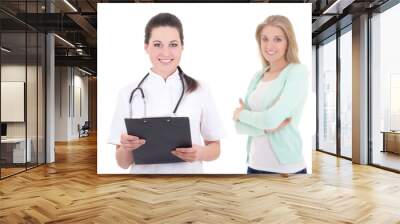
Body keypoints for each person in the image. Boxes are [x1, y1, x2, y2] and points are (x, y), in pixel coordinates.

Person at [108, 13, 224, 174]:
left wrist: (200, 153)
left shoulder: (200, 89)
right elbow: (122, 163)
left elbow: (215, 148)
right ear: (146, 47)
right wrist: (127, 148)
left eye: (173, 44)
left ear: (182, 47)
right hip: (144, 190)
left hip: (190, 188)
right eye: (157, 44)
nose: (166, 52)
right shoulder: (127, 93)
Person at [233, 15, 308, 174]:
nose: (269, 45)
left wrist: (242, 114)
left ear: (288, 42)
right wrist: (265, 128)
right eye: (264, 39)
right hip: (254, 166)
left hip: (286, 169)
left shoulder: (297, 72)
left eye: (278, 39)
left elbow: (270, 119)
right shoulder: (258, 76)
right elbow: (239, 127)